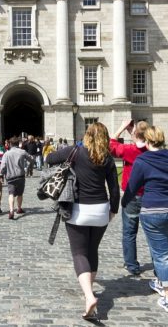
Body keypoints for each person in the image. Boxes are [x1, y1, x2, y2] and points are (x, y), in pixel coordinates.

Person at [47, 122, 120, 320]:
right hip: (100, 210)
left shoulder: (74, 152)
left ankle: (89, 296)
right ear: (104, 138)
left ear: (86, 135)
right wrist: (113, 209)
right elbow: (114, 188)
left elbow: (49, 158)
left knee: (79, 253)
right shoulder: (107, 158)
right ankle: (89, 289)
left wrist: (58, 151)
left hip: (78, 210)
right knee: (92, 250)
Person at [121, 126, 168, 315]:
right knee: (164, 249)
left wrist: (123, 202)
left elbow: (132, 187)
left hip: (153, 212)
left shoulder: (142, 160)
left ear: (147, 140)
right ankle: (160, 281)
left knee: (162, 255)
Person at [109, 119, 149, 276]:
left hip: (132, 196)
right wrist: (133, 131)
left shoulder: (129, 150)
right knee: (153, 233)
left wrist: (120, 128)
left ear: (134, 134)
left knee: (129, 232)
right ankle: (159, 264)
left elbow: (110, 145)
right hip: (150, 197)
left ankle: (132, 265)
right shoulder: (152, 149)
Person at [0, 136, 34, 219]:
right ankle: (19, 209)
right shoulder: (22, 152)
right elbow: (32, 159)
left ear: (10, 144)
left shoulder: (6, 154)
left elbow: (3, 166)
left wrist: (1, 174)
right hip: (20, 176)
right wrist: (29, 167)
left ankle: (11, 211)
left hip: (10, 177)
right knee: (19, 194)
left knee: (11, 194)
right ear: (18, 143)